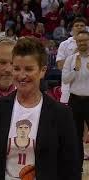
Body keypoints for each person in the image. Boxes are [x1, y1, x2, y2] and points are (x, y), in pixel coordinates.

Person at [0, 37, 81, 180]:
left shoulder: (61, 114)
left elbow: (71, 167)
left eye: (28, 69)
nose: (22, 75)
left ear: (42, 71)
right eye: (16, 68)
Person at [62, 30, 89, 169]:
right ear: (76, 43)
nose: (82, 43)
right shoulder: (71, 59)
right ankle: (77, 168)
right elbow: (65, 80)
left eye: (85, 40)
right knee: (76, 135)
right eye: (80, 41)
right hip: (75, 101)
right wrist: (75, 69)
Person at [56, 17, 86, 104]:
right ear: (72, 28)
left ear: (86, 28)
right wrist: (73, 55)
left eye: (82, 25)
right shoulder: (64, 44)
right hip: (69, 87)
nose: (79, 27)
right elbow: (60, 66)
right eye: (77, 25)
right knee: (68, 115)